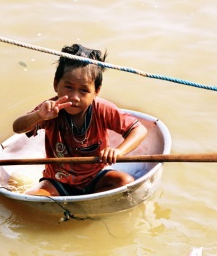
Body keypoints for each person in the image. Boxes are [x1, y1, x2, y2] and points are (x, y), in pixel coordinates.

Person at [12, 44, 147, 196]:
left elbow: (139, 130)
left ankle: (86, 207)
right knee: (33, 197)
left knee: (125, 182)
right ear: (56, 84)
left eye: (84, 90)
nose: (75, 97)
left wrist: (118, 151)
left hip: (96, 176)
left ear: (96, 91)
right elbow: (18, 128)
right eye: (68, 87)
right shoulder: (51, 109)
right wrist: (38, 116)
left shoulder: (102, 109)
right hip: (57, 180)